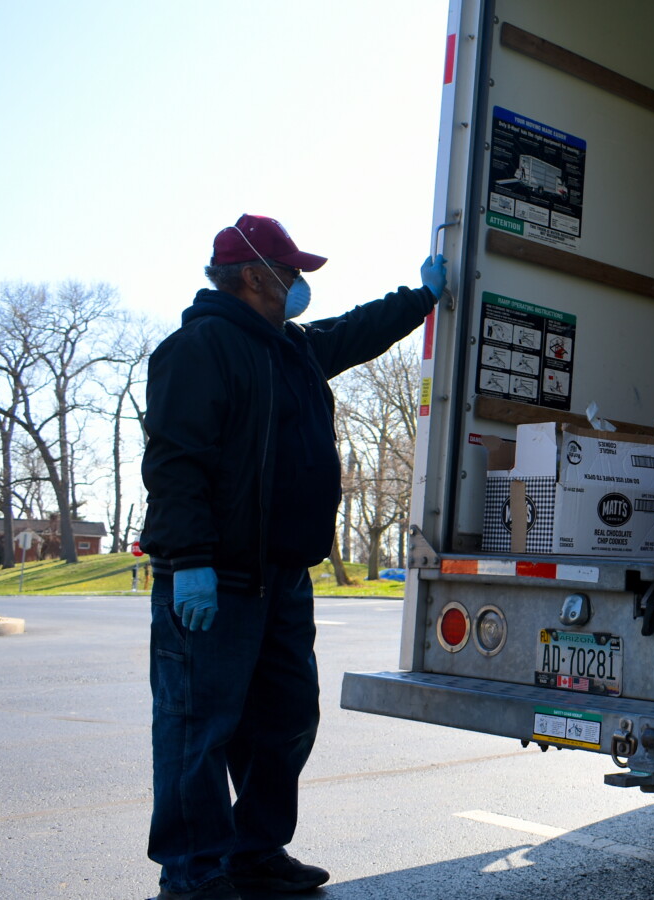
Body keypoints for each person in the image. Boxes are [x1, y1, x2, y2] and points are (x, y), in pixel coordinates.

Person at [140, 213, 447, 900]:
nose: (300, 287)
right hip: (214, 580)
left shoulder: (290, 349)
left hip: (281, 579)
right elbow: (177, 465)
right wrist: (188, 560)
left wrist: (421, 298)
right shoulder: (199, 349)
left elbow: (354, 333)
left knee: (284, 720)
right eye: (292, 275)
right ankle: (192, 874)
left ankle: (254, 851)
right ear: (253, 276)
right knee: (199, 729)